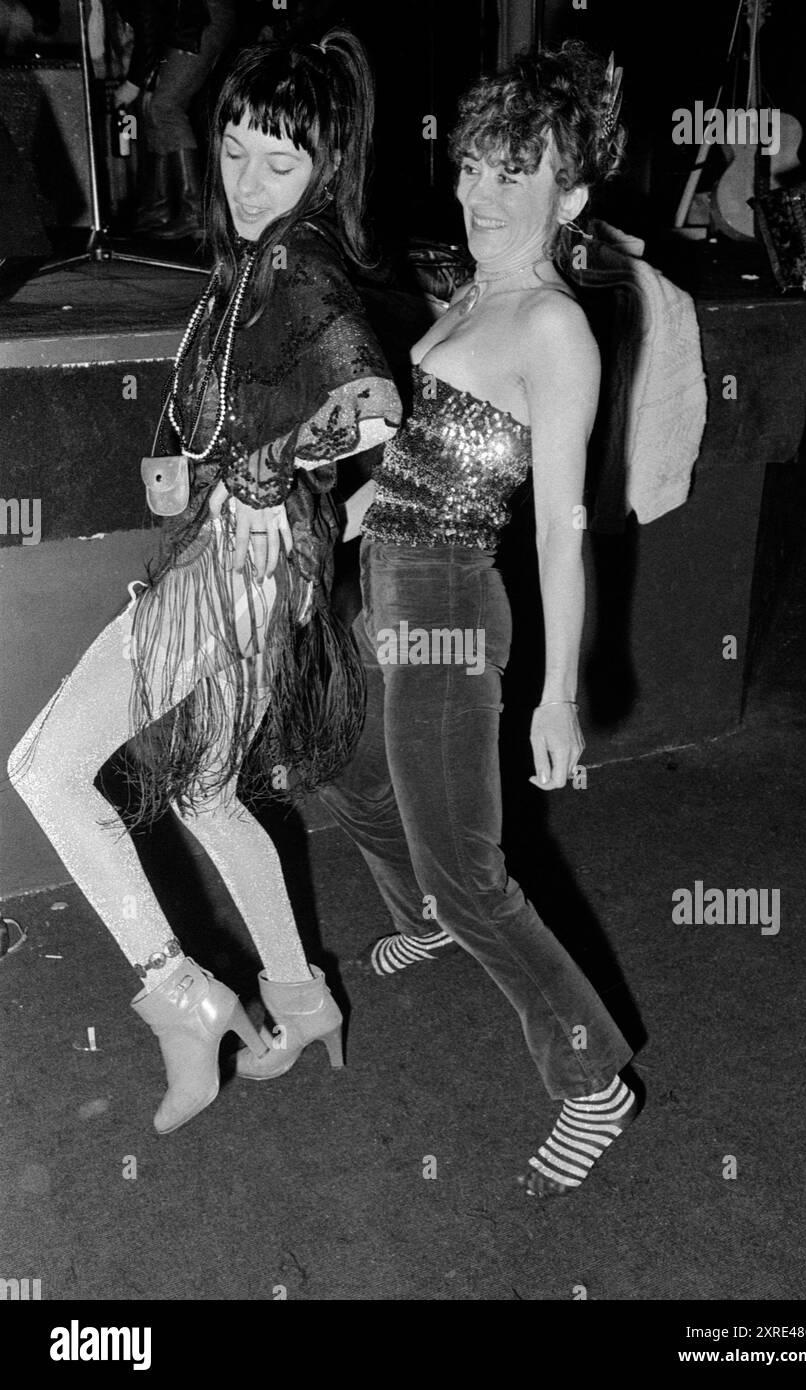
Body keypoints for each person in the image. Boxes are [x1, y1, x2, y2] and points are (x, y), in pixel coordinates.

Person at [7, 31, 401, 1135]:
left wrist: (257, 466)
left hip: (236, 569)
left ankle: (183, 998)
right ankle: (297, 994)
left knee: (43, 769)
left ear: (327, 169)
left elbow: (374, 409)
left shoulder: (300, 266)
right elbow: (232, 404)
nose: (246, 181)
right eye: (233, 150)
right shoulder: (254, 261)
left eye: (278, 162)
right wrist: (198, 457)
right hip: (244, 561)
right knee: (203, 791)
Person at [314, 40, 639, 1198]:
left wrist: (556, 693)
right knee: (346, 763)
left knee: (470, 867)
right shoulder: (468, 292)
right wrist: (353, 505)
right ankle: (433, 911)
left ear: (572, 193)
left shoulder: (553, 327)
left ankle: (589, 1076)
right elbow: (430, 446)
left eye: (518, 172)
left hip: (452, 604)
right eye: (474, 166)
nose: (483, 192)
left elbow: (558, 527)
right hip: (392, 575)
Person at [113, 1, 238, 239]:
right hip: (193, 19)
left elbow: (149, 23)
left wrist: (133, 82)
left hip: (197, 20)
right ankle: (159, 209)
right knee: (153, 107)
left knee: (165, 108)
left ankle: (194, 213)